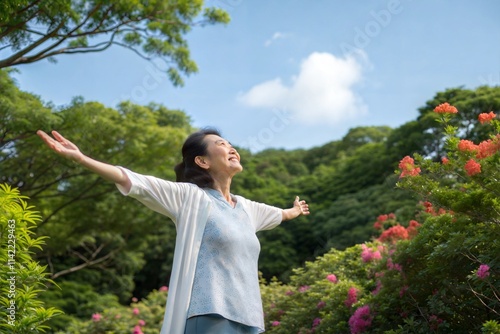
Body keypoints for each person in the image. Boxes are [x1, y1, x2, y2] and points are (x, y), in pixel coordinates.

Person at [37, 128, 310, 334]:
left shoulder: (248, 209)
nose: (231, 148)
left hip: (251, 318)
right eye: (220, 144)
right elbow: (133, 180)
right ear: (202, 161)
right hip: (211, 313)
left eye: (230, 144)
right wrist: (82, 158)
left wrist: (295, 210)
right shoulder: (189, 197)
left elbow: (279, 214)